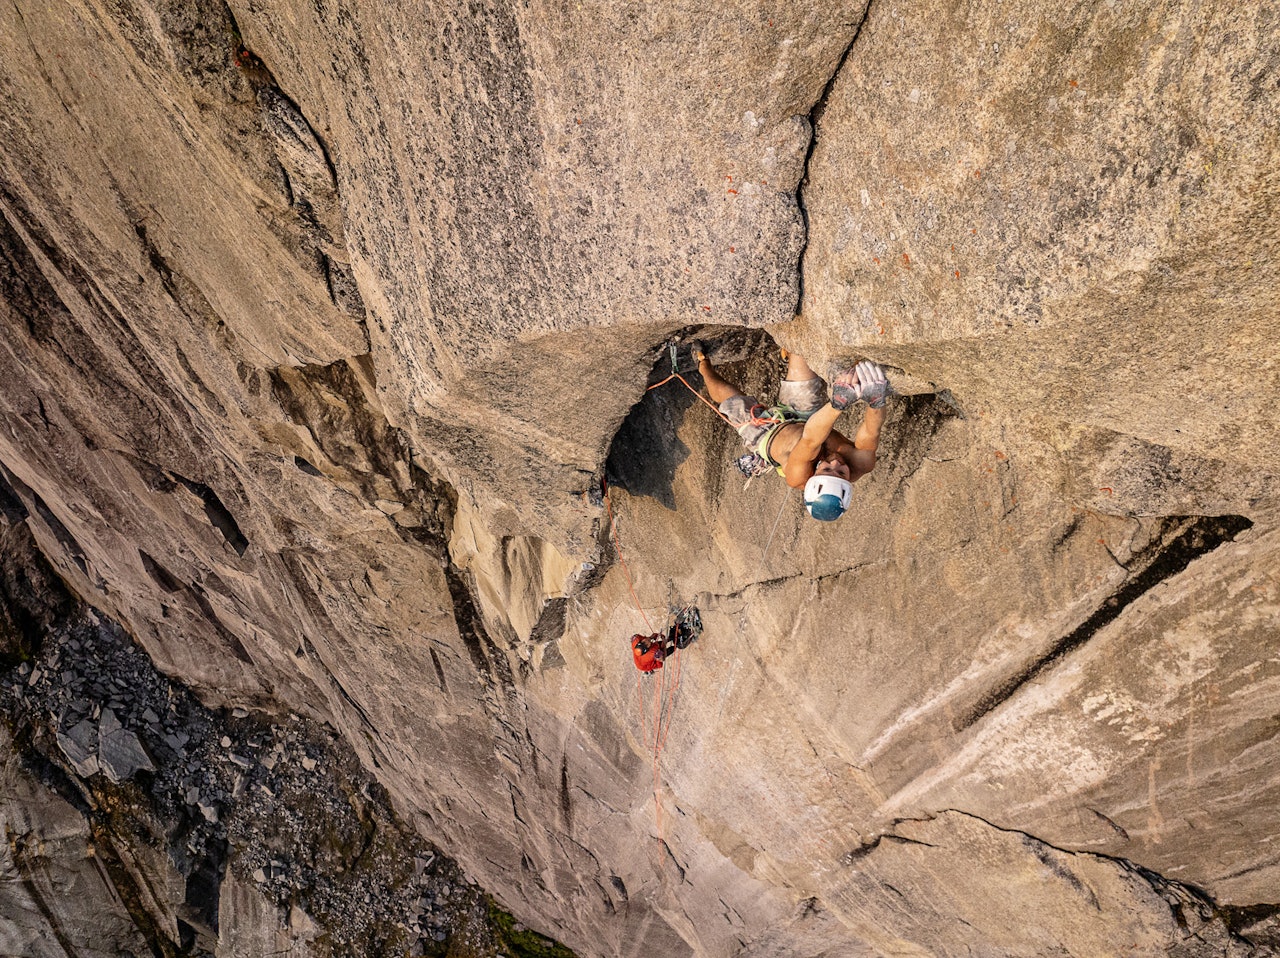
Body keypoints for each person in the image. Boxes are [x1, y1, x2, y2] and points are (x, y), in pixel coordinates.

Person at [694, 345, 890, 522]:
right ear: (848, 480)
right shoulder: (861, 465)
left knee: (730, 400)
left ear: (813, 477)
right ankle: (790, 351)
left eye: (826, 470)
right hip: (806, 415)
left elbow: (810, 440)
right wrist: (876, 401)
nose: (835, 464)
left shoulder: (797, 476)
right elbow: (871, 432)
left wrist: (838, 403)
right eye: (841, 473)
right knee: (801, 349)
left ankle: (703, 366)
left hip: (765, 433)